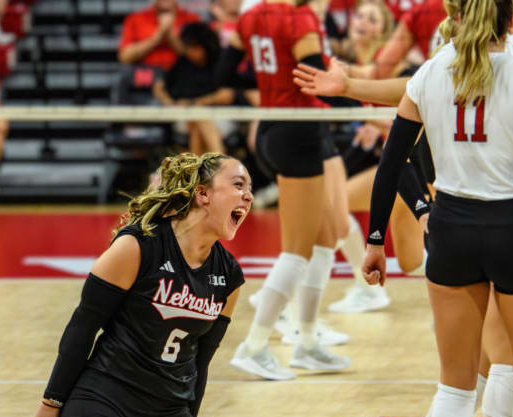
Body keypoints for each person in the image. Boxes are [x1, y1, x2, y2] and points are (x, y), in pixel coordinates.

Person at [360, 0, 513, 417]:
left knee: (455, 384)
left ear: (454, 18)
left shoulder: (430, 73)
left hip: (450, 227)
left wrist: (374, 240)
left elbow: (391, 165)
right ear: (512, 21)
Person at [33, 152, 250, 417]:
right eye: (238, 184)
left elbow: (201, 358)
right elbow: (83, 326)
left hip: (168, 410)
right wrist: (52, 400)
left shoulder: (229, 275)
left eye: (250, 188)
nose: (249, 195)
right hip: (105, 396)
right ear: (203, 194)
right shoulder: (137, 246)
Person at [219, 0, 354, 380]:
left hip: (274, 125)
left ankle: (307, 341)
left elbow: (224, 71)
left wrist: (271, 80)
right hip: (297, 132)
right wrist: (359, 93)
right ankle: (255, 346)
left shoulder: (251, 16)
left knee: (326, 237)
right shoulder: (300, 17)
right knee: (296, 252)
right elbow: (315, 78)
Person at [152, 22, 234, 155]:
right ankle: (219, 160)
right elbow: (159, 86)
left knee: (198, 120)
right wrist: (168, 101)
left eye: (194, 48)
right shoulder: (183, 62)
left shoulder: (220, 62)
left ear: (206, 46)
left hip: (219, 117)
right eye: (188, 47)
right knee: (197, 120)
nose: (190, 52)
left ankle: (198, 170)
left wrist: (195, 104)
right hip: (184, 117)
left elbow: (227, 95)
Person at [118, 0, 200, 72]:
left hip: (183, 74)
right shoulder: (135, 19)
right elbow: (124, 57)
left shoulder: (191, 19)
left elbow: (198, 57)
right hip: (145, 75)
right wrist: (157, 37)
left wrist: (169, 35)